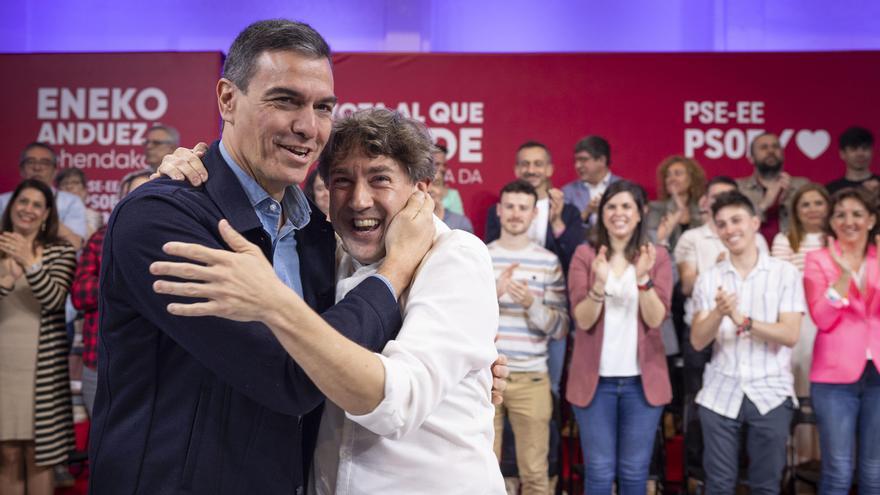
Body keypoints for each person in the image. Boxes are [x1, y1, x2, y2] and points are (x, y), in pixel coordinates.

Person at [88, 20, 435, 494]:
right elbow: (291, 379)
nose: (308, 127)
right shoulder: (161, 220)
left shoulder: (314, 231)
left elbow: (353, 344)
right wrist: (395, 272)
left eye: (323, 107)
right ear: (228, 100)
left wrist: (461, 367)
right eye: (285, 100)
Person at [150, 108, 506, 494]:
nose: (358, 200)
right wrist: (191, 177)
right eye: (342, 181)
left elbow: (396, 404)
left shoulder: (454, 255)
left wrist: (275, 305)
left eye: (380, 179)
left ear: (421, 189)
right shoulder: (328, 255)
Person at [690, 190, 803, 494]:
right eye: (722, 224)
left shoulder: (785, 273)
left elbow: (790, 334)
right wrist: (719, 312)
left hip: (770, 391)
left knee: (766, 486)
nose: (730, 230)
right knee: (719, 485)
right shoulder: (708, 278)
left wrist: (744, 321)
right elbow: (698, 341)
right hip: (719, 392)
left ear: (754, 223)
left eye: (736, 220)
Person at [566, 180, 672, 495]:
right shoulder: (585, 255)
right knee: (598, 472)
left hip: (642, 383)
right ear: (602, 212)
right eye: (611, 206)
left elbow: (656, 318)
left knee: (634, 472)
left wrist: (642, 278)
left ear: (641, 213)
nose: (618, 213)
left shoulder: (658, 256)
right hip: (594, 383)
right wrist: (599, 285)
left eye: (626, 206)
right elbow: (582, 319)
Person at [490, 179, 569, 494]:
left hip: (532, 378)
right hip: (484, 376)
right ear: (499, 210)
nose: (515, 213)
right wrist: (491, 295)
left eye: (523, 208)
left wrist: (530, 303)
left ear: (534, 214)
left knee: (536, 475)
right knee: (480, 469)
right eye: (510, 206)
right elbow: (460, 319)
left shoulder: (548, 262)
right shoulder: (479, 255)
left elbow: (561, 326)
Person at [0, 179, 77, 494]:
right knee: (7, 454)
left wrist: (30, 264)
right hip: (4, 370)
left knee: (40, 456)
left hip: (41, 372)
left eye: (36, 205)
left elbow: (55, 298)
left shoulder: (60, 251)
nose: (27, 210)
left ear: (46, 214)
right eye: (22, 202)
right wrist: (5, 281)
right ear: (12, 206)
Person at [803, 187, 880, 494]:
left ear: (872, 220)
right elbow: (822, 318)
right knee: (838, 470)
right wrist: (845, 276)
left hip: (877, 375)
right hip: (834, 378)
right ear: (831, 222)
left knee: (874, 471)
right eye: (841, 215)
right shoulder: (818, 259)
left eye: (858, 214)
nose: (849, 221)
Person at [70, 170, 152, 416]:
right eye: (132, 195)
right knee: (100, 449)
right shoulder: (100, 238)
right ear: (121, 200)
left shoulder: (173, 241)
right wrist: (128, 281)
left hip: (151, 367)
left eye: (147, 194)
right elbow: (80, 295)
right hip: (100, 365)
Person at [770, 182, 829, 464]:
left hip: (834, 323)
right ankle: (799, 460)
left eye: (818, 203)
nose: (813, 209)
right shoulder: (785, 240)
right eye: (805, 204)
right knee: (801, 390)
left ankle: (831, 458)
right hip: (800, 321)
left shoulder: (839, 240)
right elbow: (780, 286)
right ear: (795, 211)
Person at [0, 143, 86, 251]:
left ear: (55, 171)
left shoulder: (71, 202)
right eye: (31, 162)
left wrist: (42, 217)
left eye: (45, 163)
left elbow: (75, 244)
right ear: (21, 169)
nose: (37, 167)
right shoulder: (3, 201)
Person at [736, 132, 809, 243]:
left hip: (794, 252)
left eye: (775, 147)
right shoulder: (739, 189)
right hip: (753, 252)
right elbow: (736, 225)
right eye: (764, 147)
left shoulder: (801, 186)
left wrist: (789, 197)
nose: (770, 151)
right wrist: (765, 203)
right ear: (751, 158)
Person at [645, 155, 705, 252]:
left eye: (678, 174)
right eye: (668, 175)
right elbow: (652, 242)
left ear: (691, 178)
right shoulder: (655, 209)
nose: (671, 179)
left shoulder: (702, 209)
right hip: (668, 263)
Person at [561, 135, 620, 227]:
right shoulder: (568, 192)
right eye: (576, 161)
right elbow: (563, 230)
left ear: (602, 160)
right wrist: (587, 211)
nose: (577, 166)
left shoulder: (623, 188)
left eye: (583, 160)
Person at [826, 126, 880, 195]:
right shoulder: (831, 190)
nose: (860, 154)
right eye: (854, 149)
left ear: (872, 152)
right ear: (842, 154)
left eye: (865, 148)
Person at [55, 168, 103, 237]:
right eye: (65, 183)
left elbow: (88, 238)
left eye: (75, 183)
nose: (69, 187)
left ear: (85, 190)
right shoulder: (50, 214)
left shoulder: (93, 215)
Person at [429, 168, 473, 233]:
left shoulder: (461, 223)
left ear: (445, 190)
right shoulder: (410, 220)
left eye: (436, 184)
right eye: (423, 184)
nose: (429, 189)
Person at [433, 143, 465, 215]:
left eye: (444, 165)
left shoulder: (453, 195)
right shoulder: (417, 191)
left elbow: (460, 223)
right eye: (437, 164)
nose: (442, 168)